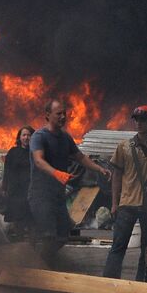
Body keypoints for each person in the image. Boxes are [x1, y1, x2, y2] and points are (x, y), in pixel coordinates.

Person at [28, 100, 111, 264]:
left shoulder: (65, 138)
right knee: (49, 235)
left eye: (64, 113)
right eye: (58, 113)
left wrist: (98, 169)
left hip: (57, 196)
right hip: (41, 195)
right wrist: (57, 173)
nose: (63, 117)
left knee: (64, 234)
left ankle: (41, 260)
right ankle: (36, 264)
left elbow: (80, 157)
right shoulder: (39, 136)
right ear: (47, 115)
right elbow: (38, 160)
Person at [102, 105, 147, 280]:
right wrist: (114, 203)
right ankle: (109, 283)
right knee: (118, 246)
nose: (139, 123)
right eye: (136, 120)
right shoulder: (124, 148)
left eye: (143, 120)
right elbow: (117, 176)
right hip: (128, 204)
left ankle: (142, 283)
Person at [1, 126, 34, 237]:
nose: (26, 137)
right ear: (19, 137)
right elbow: (7, 170)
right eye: (23, 135)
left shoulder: (35, 153)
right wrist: (5, 187)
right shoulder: (13, 152)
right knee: (17, 217)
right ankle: (19, 242)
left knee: (30, 217)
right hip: (15, 190)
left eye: (29, 135)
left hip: (30, 189)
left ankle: (31, 243)